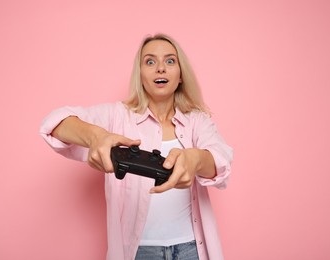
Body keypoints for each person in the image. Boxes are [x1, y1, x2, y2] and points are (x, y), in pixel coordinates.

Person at [40, 33, 233, 260]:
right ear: (140, 75)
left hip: (191, 249)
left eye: (170, 61)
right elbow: (55, 123)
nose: (160, 68)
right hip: (139, 252)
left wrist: (195, 159)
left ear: (181, 75)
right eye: (150, 61)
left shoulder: (197, 121)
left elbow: (220, 160)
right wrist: (96, 137)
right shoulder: (117, 116)